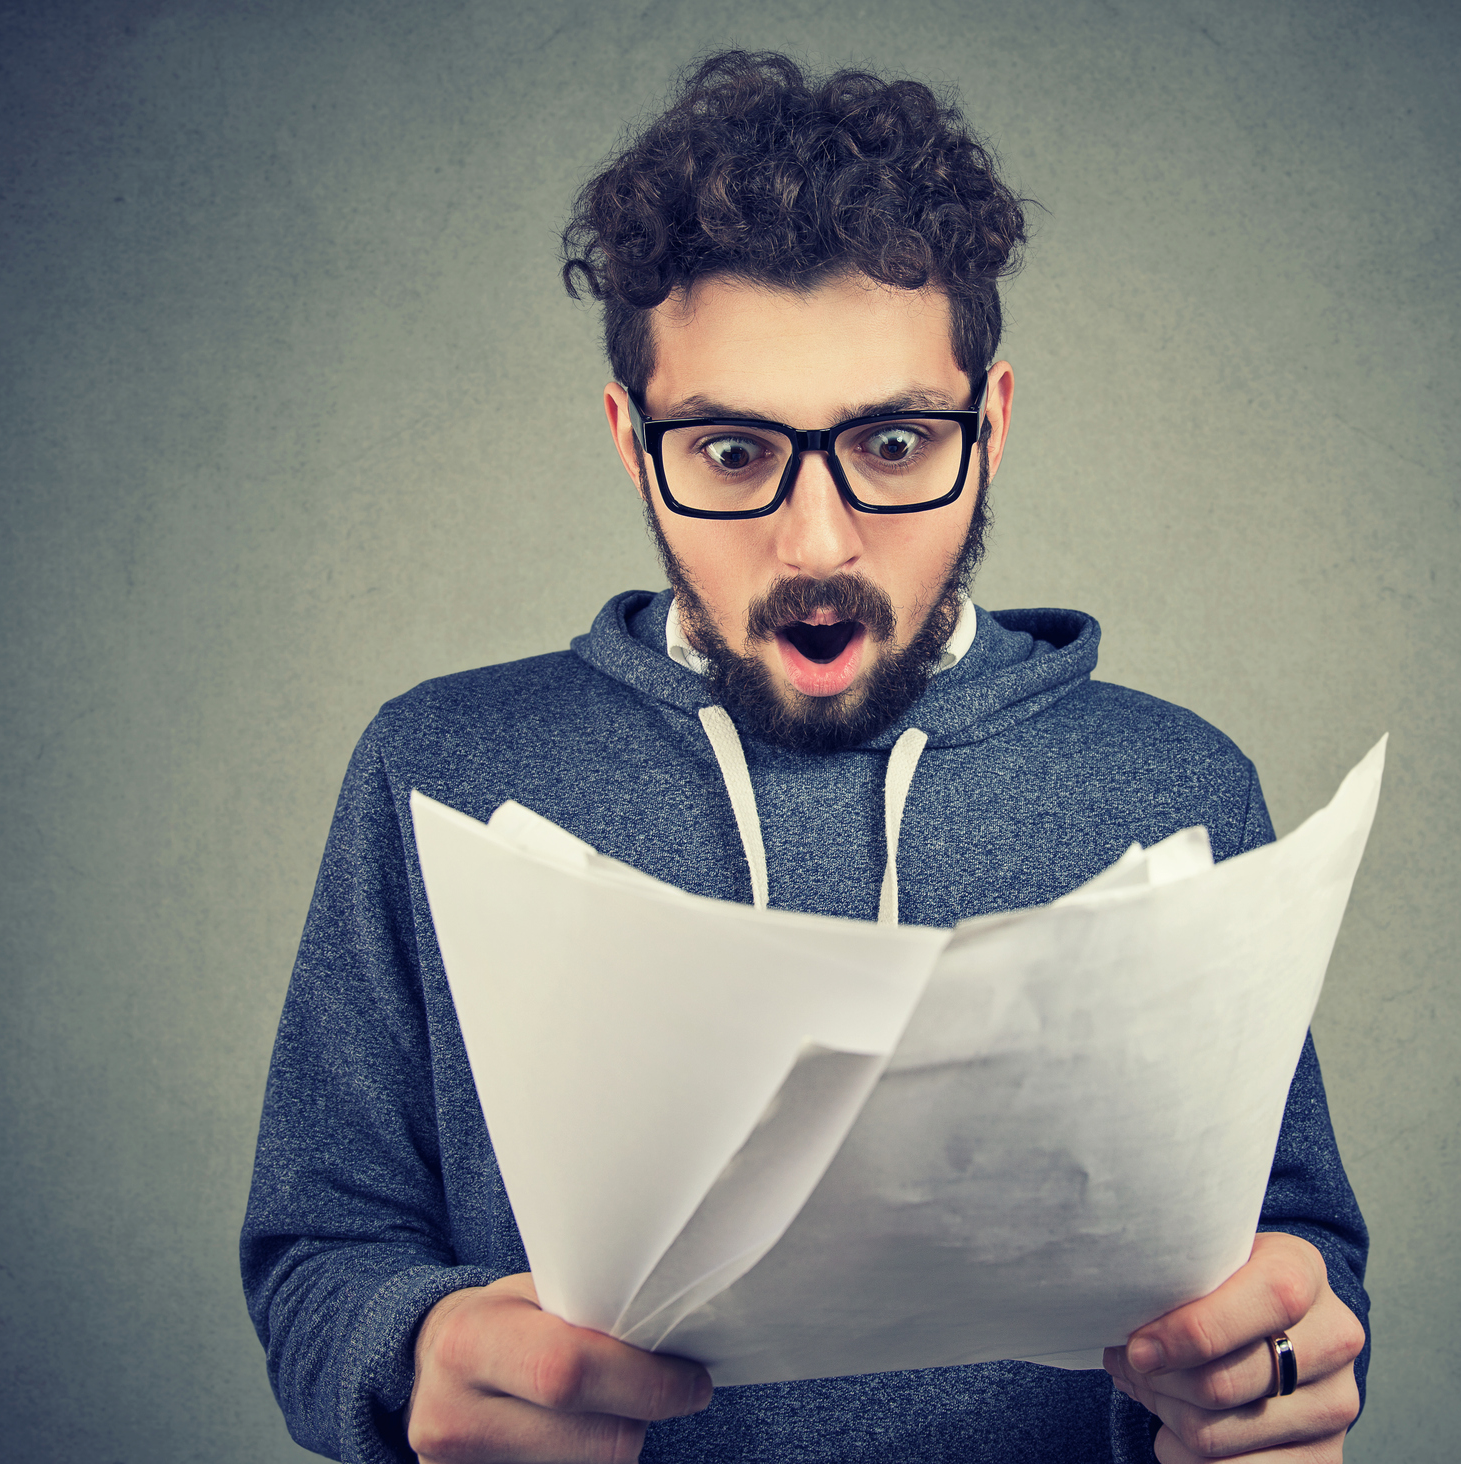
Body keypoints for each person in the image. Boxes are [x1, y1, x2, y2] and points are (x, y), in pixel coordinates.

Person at [242, 51, 1369, 1464]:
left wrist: (1275, 1371)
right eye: (728, 453)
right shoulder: (440, 766)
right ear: (632, 445)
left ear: (993, 425)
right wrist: (407, 1359)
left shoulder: (1179, 788)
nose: (819, 544)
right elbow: (316, 1253)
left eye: (895, 443)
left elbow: (1298, 1248)